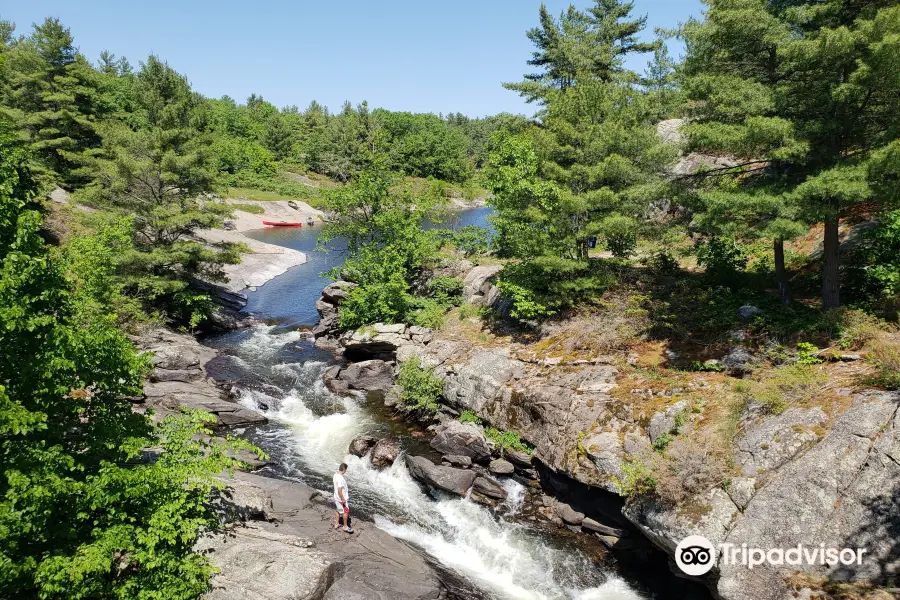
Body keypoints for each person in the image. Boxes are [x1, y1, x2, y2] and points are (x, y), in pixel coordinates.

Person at [333, 463, 353, 533]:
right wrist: (343, 499)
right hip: (341, 499)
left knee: (338, 510)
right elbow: (339, 490)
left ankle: (336, 524)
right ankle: (345, 526)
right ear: (344, 469)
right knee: (346, 511)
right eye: (346, 470)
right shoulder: (340, 478)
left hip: (336, 497)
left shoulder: (335, 474)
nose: (345, 471)